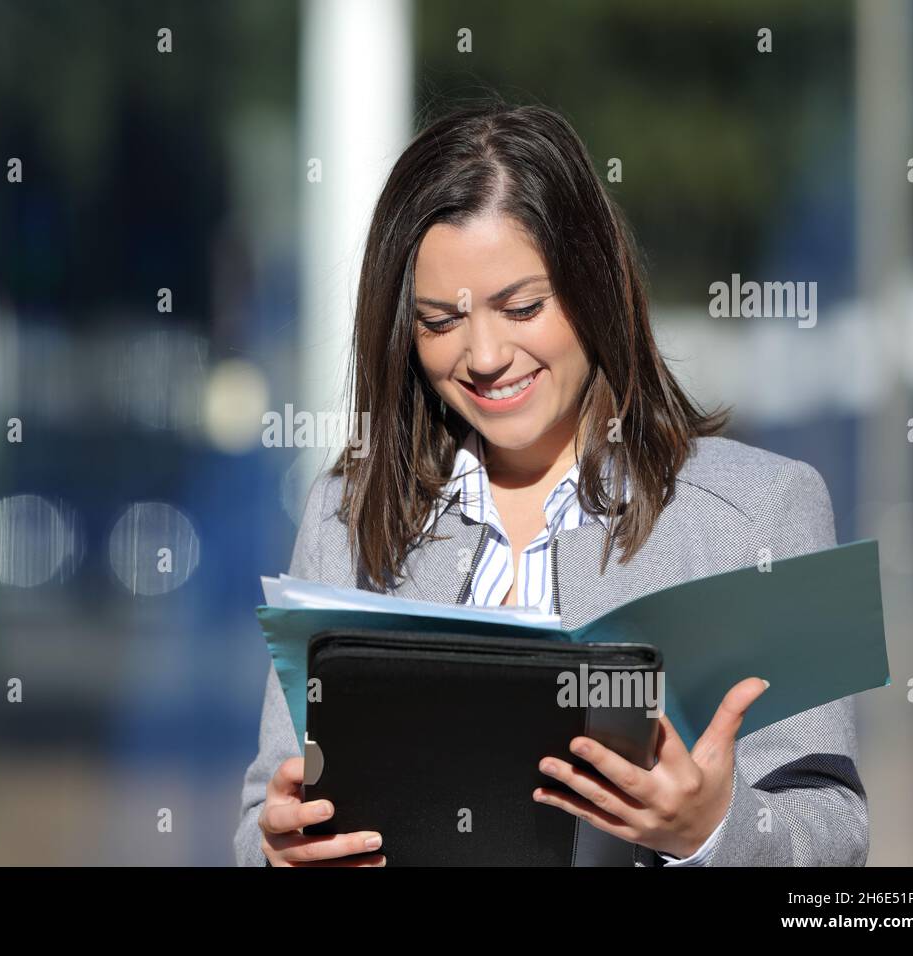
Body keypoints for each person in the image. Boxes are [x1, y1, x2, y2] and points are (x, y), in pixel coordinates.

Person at [234, 100, 868, 867]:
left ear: (594, 286)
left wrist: (709, 830)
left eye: (522, 307)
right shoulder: (344, 513)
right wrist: (276, 854)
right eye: (440, 321)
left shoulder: (768, 508)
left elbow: (837, 845)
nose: (485, 355)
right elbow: (268, 805)